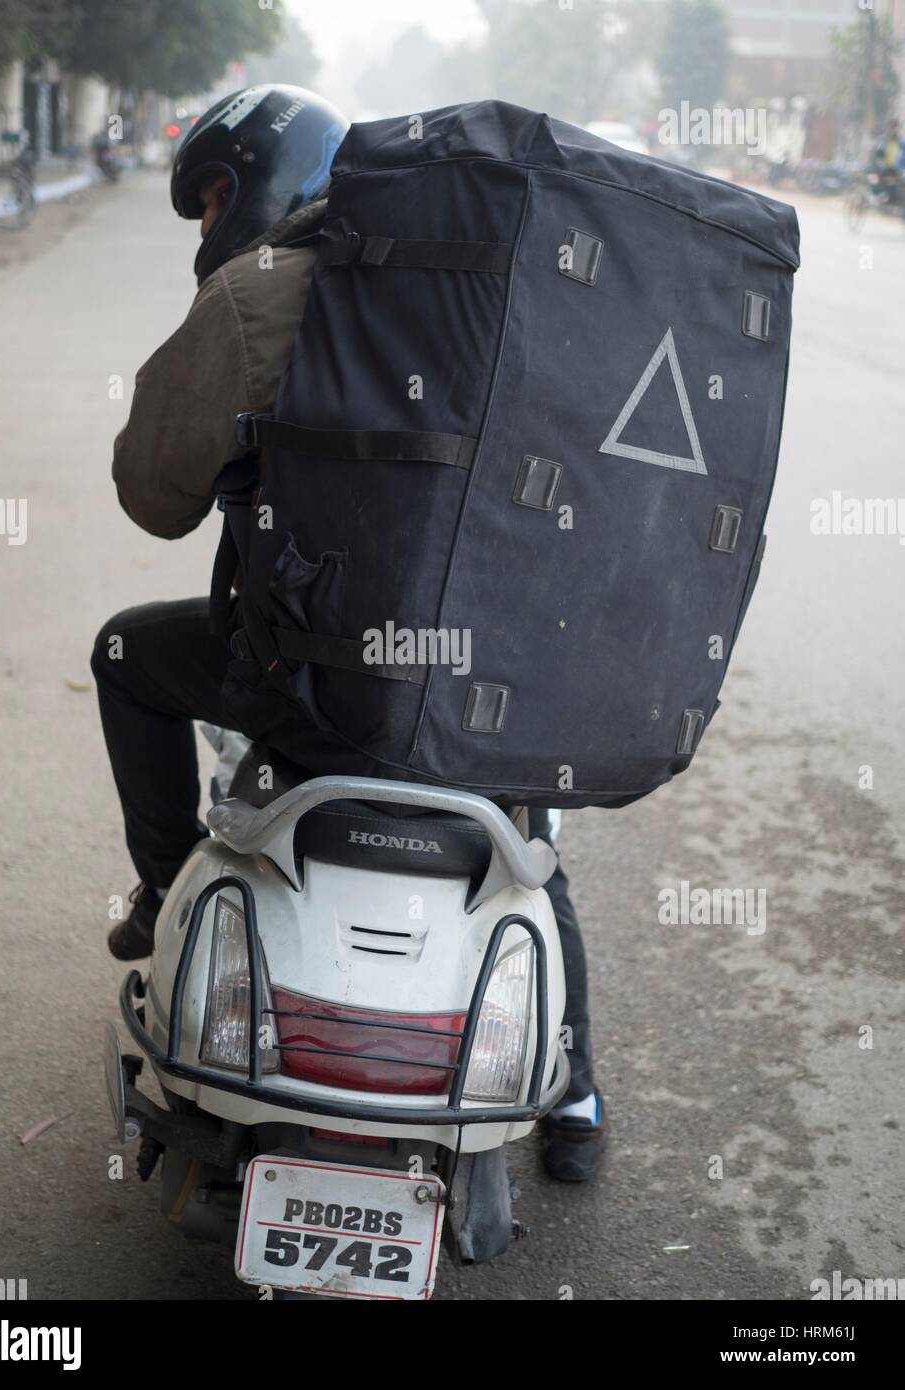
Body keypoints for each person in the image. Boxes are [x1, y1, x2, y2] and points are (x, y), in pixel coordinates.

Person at [91, 84, 604, 1182]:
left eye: (215, 192)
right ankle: (579, 1093)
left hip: (298, 687)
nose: (210, 219)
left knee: (125, 654)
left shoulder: (252, 296)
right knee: (531, 839)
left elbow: (153, 494)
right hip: (482, 692)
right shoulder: (521, 303)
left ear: (268, 179)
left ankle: (164, 877)